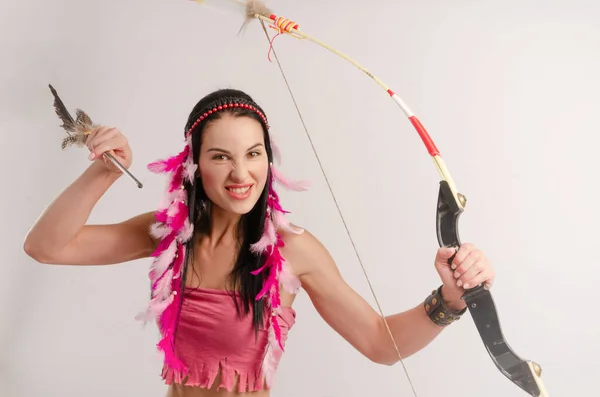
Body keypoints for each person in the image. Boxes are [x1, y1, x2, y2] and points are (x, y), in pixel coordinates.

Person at [23, 88, 495, 397]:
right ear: (192, 165)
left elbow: (379, 343)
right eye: (220, 157)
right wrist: (104, 171)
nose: (241, 174)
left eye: (254, 154)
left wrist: (450, 299)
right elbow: (47, 247)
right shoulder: (168, 233)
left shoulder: (293, 249)